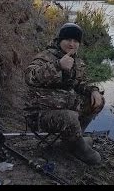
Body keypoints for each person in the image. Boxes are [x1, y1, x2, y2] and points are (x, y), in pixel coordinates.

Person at [24, 23, 105, 165]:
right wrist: (57, 65)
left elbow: (80, 82)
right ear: (60, 40)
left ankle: (72, 140)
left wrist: (94, 90)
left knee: (97, 101)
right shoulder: (46, 56)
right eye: (68, 40)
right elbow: (29, 77)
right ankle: (78, 147)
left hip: (63, 106)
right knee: (70, 116)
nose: (72, 44)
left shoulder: (77, 61)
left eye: (75, 41)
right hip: (40, 113)